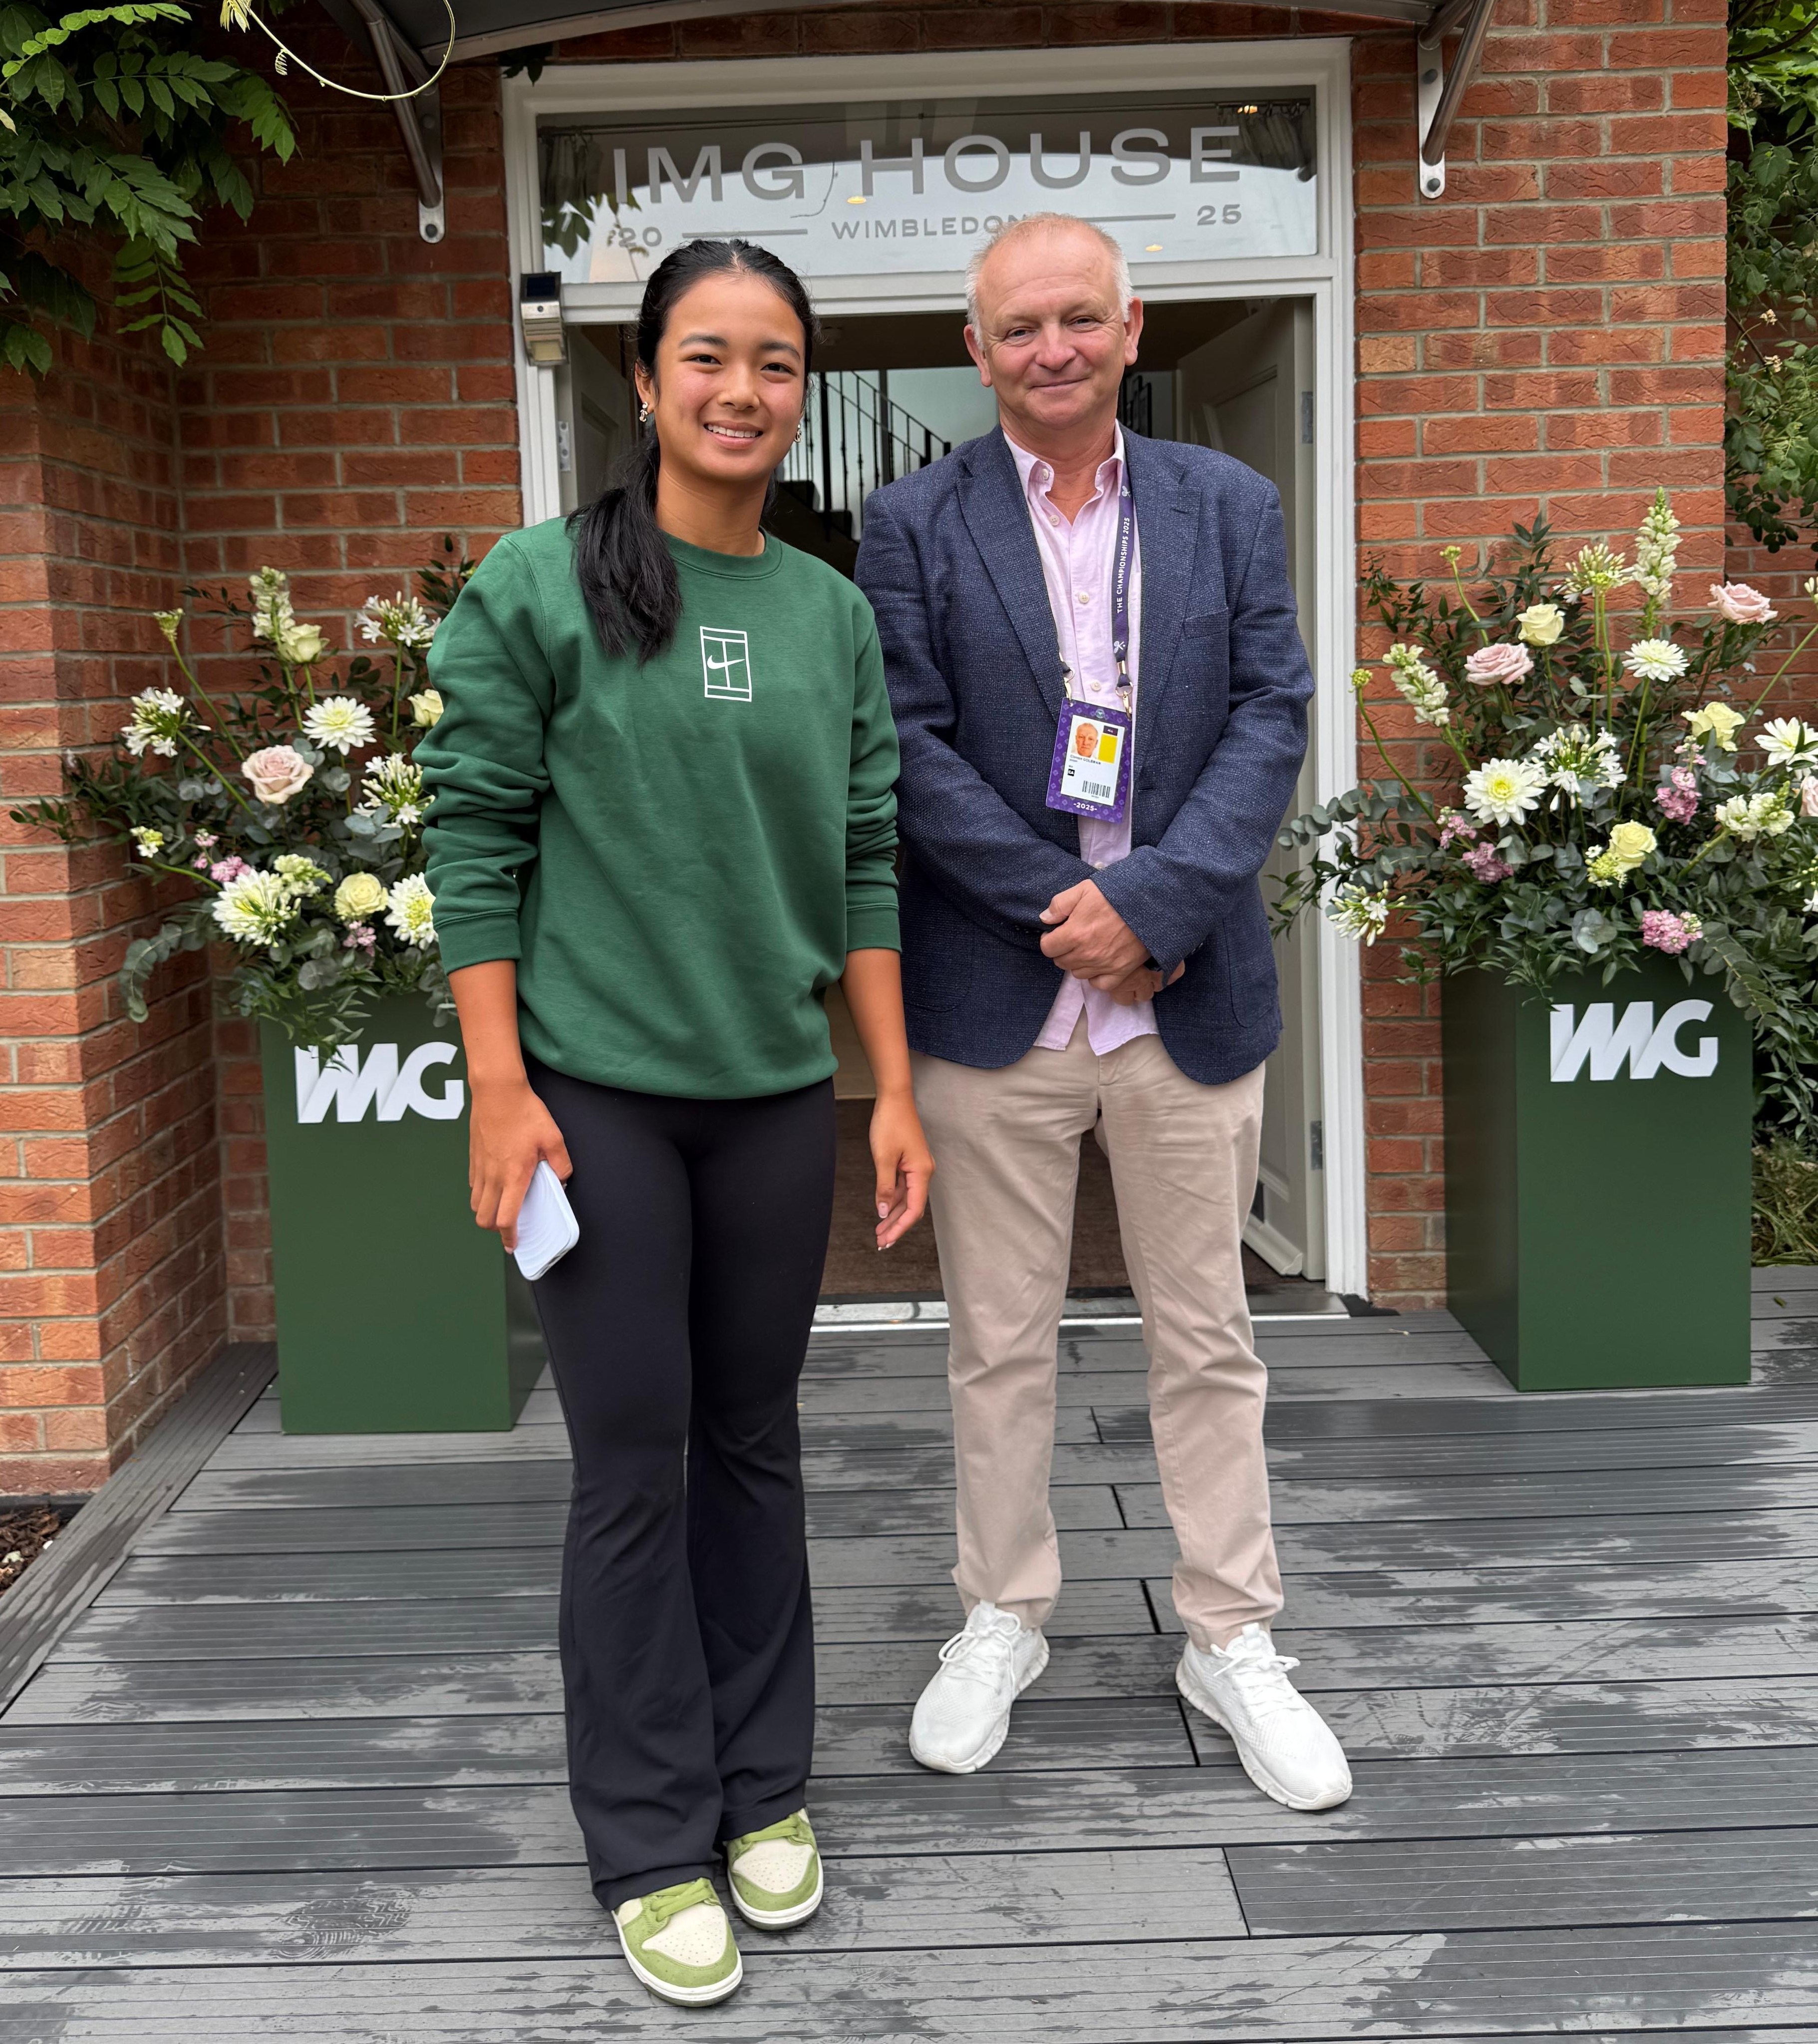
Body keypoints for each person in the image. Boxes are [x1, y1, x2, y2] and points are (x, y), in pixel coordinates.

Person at [418, 239, 933, 2008]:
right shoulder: (539, 587)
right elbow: (471, 840)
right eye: (704, 355)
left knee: (759, 1444)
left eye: (775, 362)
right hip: (596, 1106)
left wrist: (888, 1091)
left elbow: (867, 861)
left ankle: (761, 1782)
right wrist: (498, 1090)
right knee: (632, 1468)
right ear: (640, 385)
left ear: (801, 393)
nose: (739, 389)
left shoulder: (830, 613)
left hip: (774, 1101)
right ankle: (650, 1835)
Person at [854, 213, 1351, 1812]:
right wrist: (1063, 912)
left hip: (1184, 991)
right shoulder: (907, 520)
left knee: (1204, 1336)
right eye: (1017, 327)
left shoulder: (1225, 503)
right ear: (973, 346)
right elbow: (908, 745)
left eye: (1078, 319)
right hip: (998, 996)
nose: (1049, 349)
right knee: (995, 1340)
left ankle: (1230, 1637)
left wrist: (1155, 905)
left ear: (1132, 328)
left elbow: (1273, 710)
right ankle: (1003, 1613)